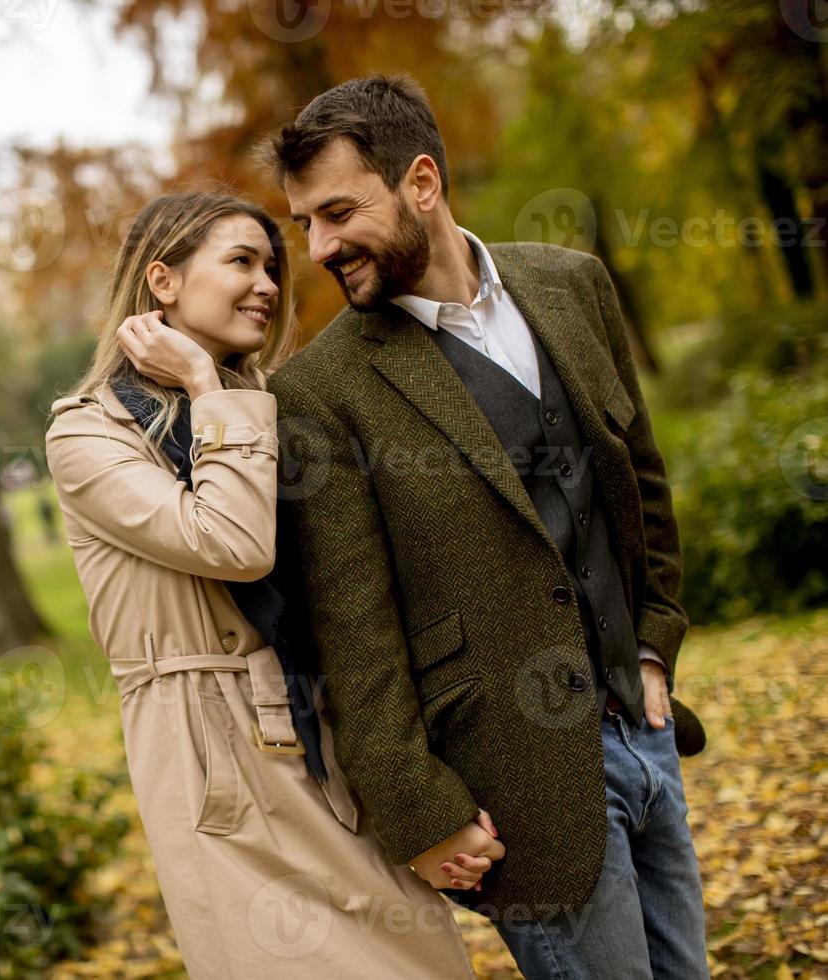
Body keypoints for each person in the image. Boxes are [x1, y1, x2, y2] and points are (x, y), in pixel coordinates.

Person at [264, 74, 710, 977]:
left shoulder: (572, 284)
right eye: (305, 223)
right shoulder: (319, 391)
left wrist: (655, 641)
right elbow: (355, 633)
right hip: (514, 790)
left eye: (338, 212)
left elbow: (641, 484)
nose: (318, 247)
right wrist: (421, 812)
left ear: (421, 183)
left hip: (644, 729)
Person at [45, 190, 487, 977]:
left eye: (272, 267)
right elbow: (232, 543)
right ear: (164, 281)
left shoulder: (272, 406)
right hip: (209, 753)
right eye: (242, 262)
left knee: (419, 961)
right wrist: (211, 392)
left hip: (323, 733)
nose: (269, 285)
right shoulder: (86, 431)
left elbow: (353, 591)